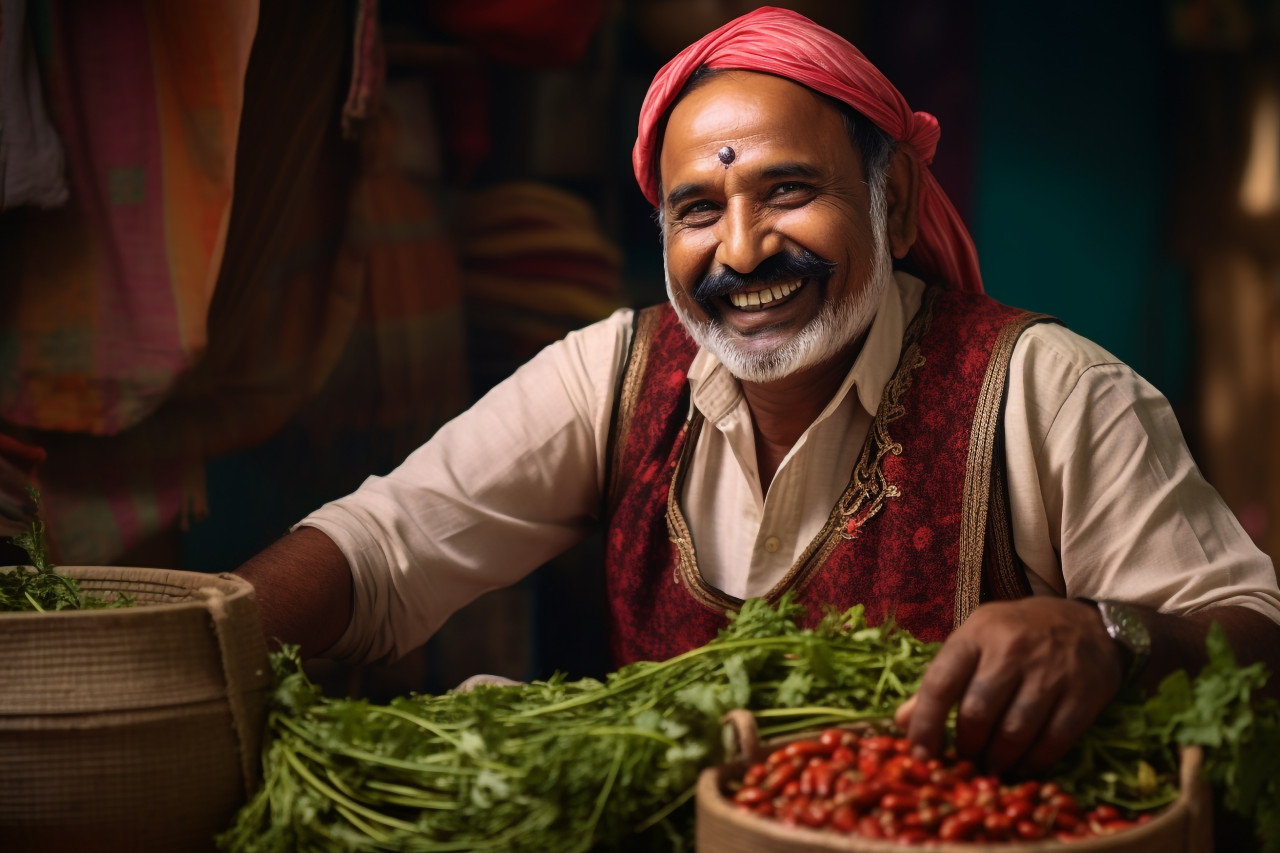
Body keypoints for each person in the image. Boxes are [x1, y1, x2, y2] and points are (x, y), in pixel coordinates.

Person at [237, 6, 1280, 775]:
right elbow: (385, 546)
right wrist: (199, 635)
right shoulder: (614, 375)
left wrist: (1108, 637)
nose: (740, 251)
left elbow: (1256, 641)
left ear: (895, 197)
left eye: (787, 190)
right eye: (697, 210)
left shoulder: (1047, 394)